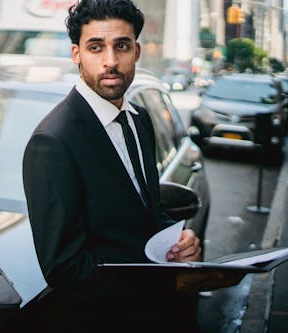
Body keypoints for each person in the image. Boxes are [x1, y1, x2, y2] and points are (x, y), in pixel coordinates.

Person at [22, 0, 202, 331]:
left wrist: (178, 242)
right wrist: (162, 285)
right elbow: (66, 269)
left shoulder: (140, 120)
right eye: (95, 47)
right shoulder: (53, 142)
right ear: (76, 54)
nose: (110, 61)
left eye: (121, 46)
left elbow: (147, 211)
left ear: (136, 51)